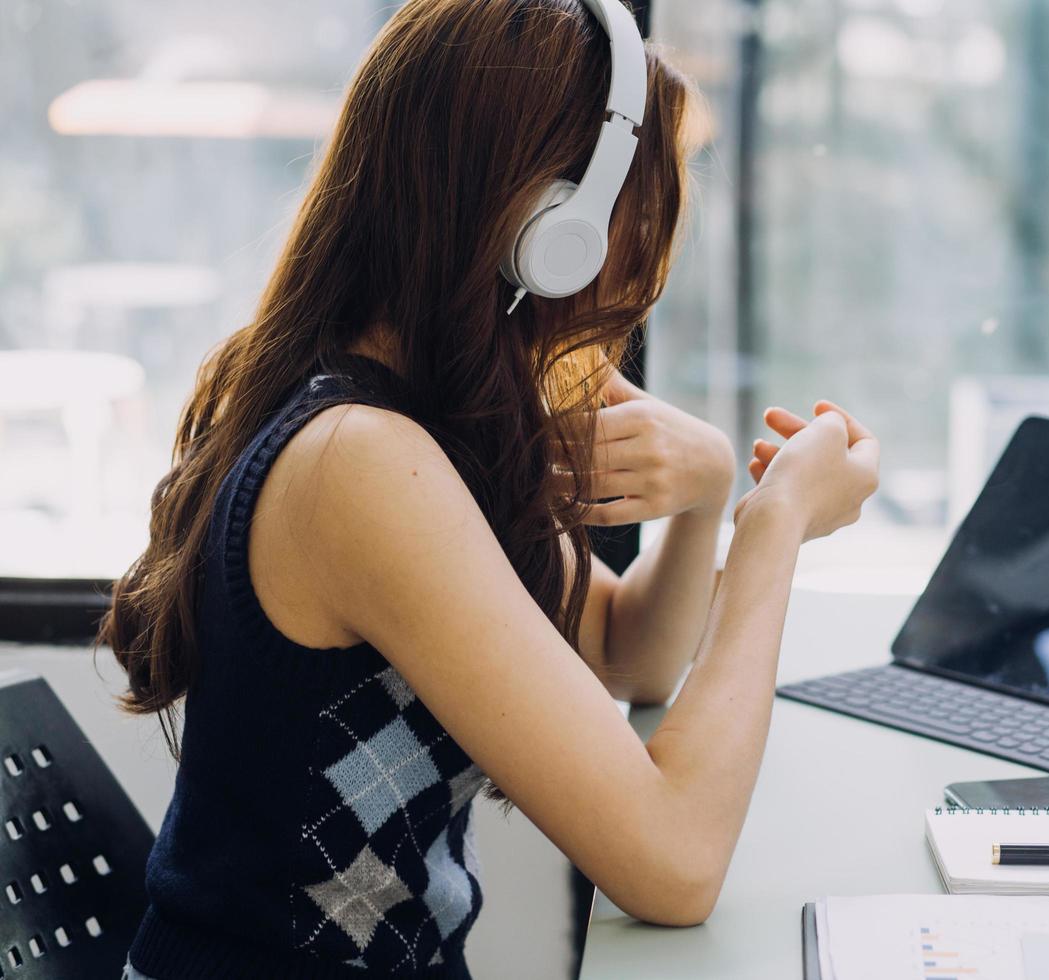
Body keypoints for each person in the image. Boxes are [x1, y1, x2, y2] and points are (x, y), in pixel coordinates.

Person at [101, 1, 879, 976]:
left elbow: (623, 654)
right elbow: (674, 862)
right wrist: (775, 526)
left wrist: (709, 489)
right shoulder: (358, 462)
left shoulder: (417, 413)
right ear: (551, 232)